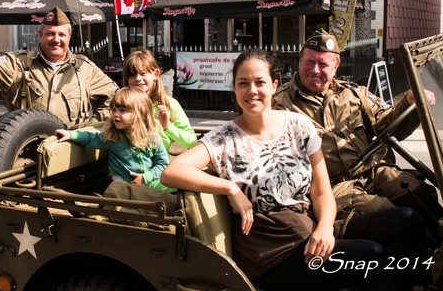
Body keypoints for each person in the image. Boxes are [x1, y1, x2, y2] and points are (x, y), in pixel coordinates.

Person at [161, 48, 427, 291]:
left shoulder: (299, 126)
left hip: (309, 228)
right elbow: (173, 171)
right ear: (234, 88)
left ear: (274, 85)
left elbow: (322, 192)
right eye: (243, 83)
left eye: (260, 82)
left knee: (407, 220)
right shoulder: (224, 138)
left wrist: (324, 228)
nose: (251, 91)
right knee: (372, 255)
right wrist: (230, 187)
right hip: (271, 252)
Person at [273, 30, 443, 233]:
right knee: (393, 215)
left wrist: (409, 101)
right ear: (300, 62)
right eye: (310, 62)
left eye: (323, 64)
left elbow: (388, 126)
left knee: (422, 194)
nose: (315, 70)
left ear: (335, 68)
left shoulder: (354, 94)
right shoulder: (277, 105)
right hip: (332, 187)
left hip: (373, 171)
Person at [0, 6, 118, 128]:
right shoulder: (18, 64)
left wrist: (90, 128)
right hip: (27, 152)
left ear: (69, 37)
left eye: (61, 34)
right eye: (50, 34)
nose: (56, 39)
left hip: (70, 151)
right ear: (40, 34)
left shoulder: (84, 68)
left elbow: (115, 97)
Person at [55, 86, 174, 191]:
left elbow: (163, 163)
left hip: (147, 184)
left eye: (123, 110)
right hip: (121, 187)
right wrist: (71, 135)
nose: (116, 114)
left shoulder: (152, 137)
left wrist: (145, 177)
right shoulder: (113, 137)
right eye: (114, 110)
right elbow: (90, 139)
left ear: (140, 113)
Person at [122, 49, 196, 152]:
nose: (138, 78)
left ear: (155, 74)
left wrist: (167, 127)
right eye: (132, 75)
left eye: (143, 73)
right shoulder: (122, 105)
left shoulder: (170, 104)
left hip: (158, 165)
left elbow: (191, 141)